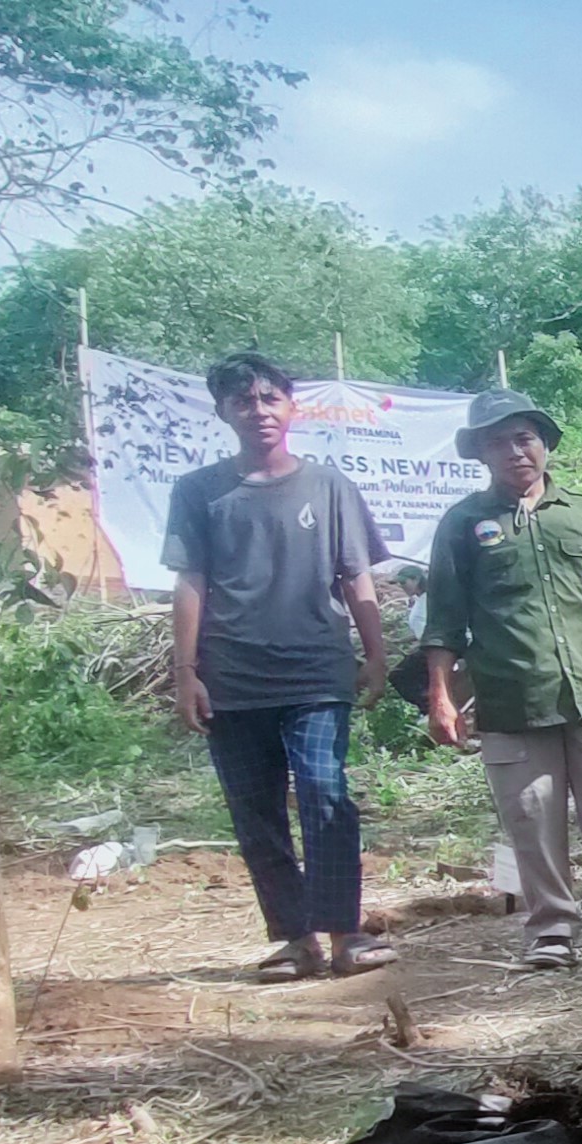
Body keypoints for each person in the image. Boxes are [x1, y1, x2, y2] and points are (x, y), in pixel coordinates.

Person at [421, 390, 582, 970]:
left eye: (525, 438)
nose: (516, 451)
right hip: (510, 698)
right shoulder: (464, 524)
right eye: (499, 441)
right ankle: (552, 931)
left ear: (544, 445)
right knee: (533, 818)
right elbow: (444, 620)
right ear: (481, 453)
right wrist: (440, 697)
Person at [165, 352, 396, 982]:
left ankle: (345, 932)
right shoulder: (198, 492)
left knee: (326, 793)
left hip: (316, 671)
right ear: (223, 412)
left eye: (271, 399)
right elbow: (191, 582)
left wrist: (375, 655)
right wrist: (186, 672)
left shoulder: (328, 486)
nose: (259, 411)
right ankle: (294, 939)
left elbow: (358, 578)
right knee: (254, 809)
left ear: (292, 407)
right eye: (244, 401)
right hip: (232, 677)